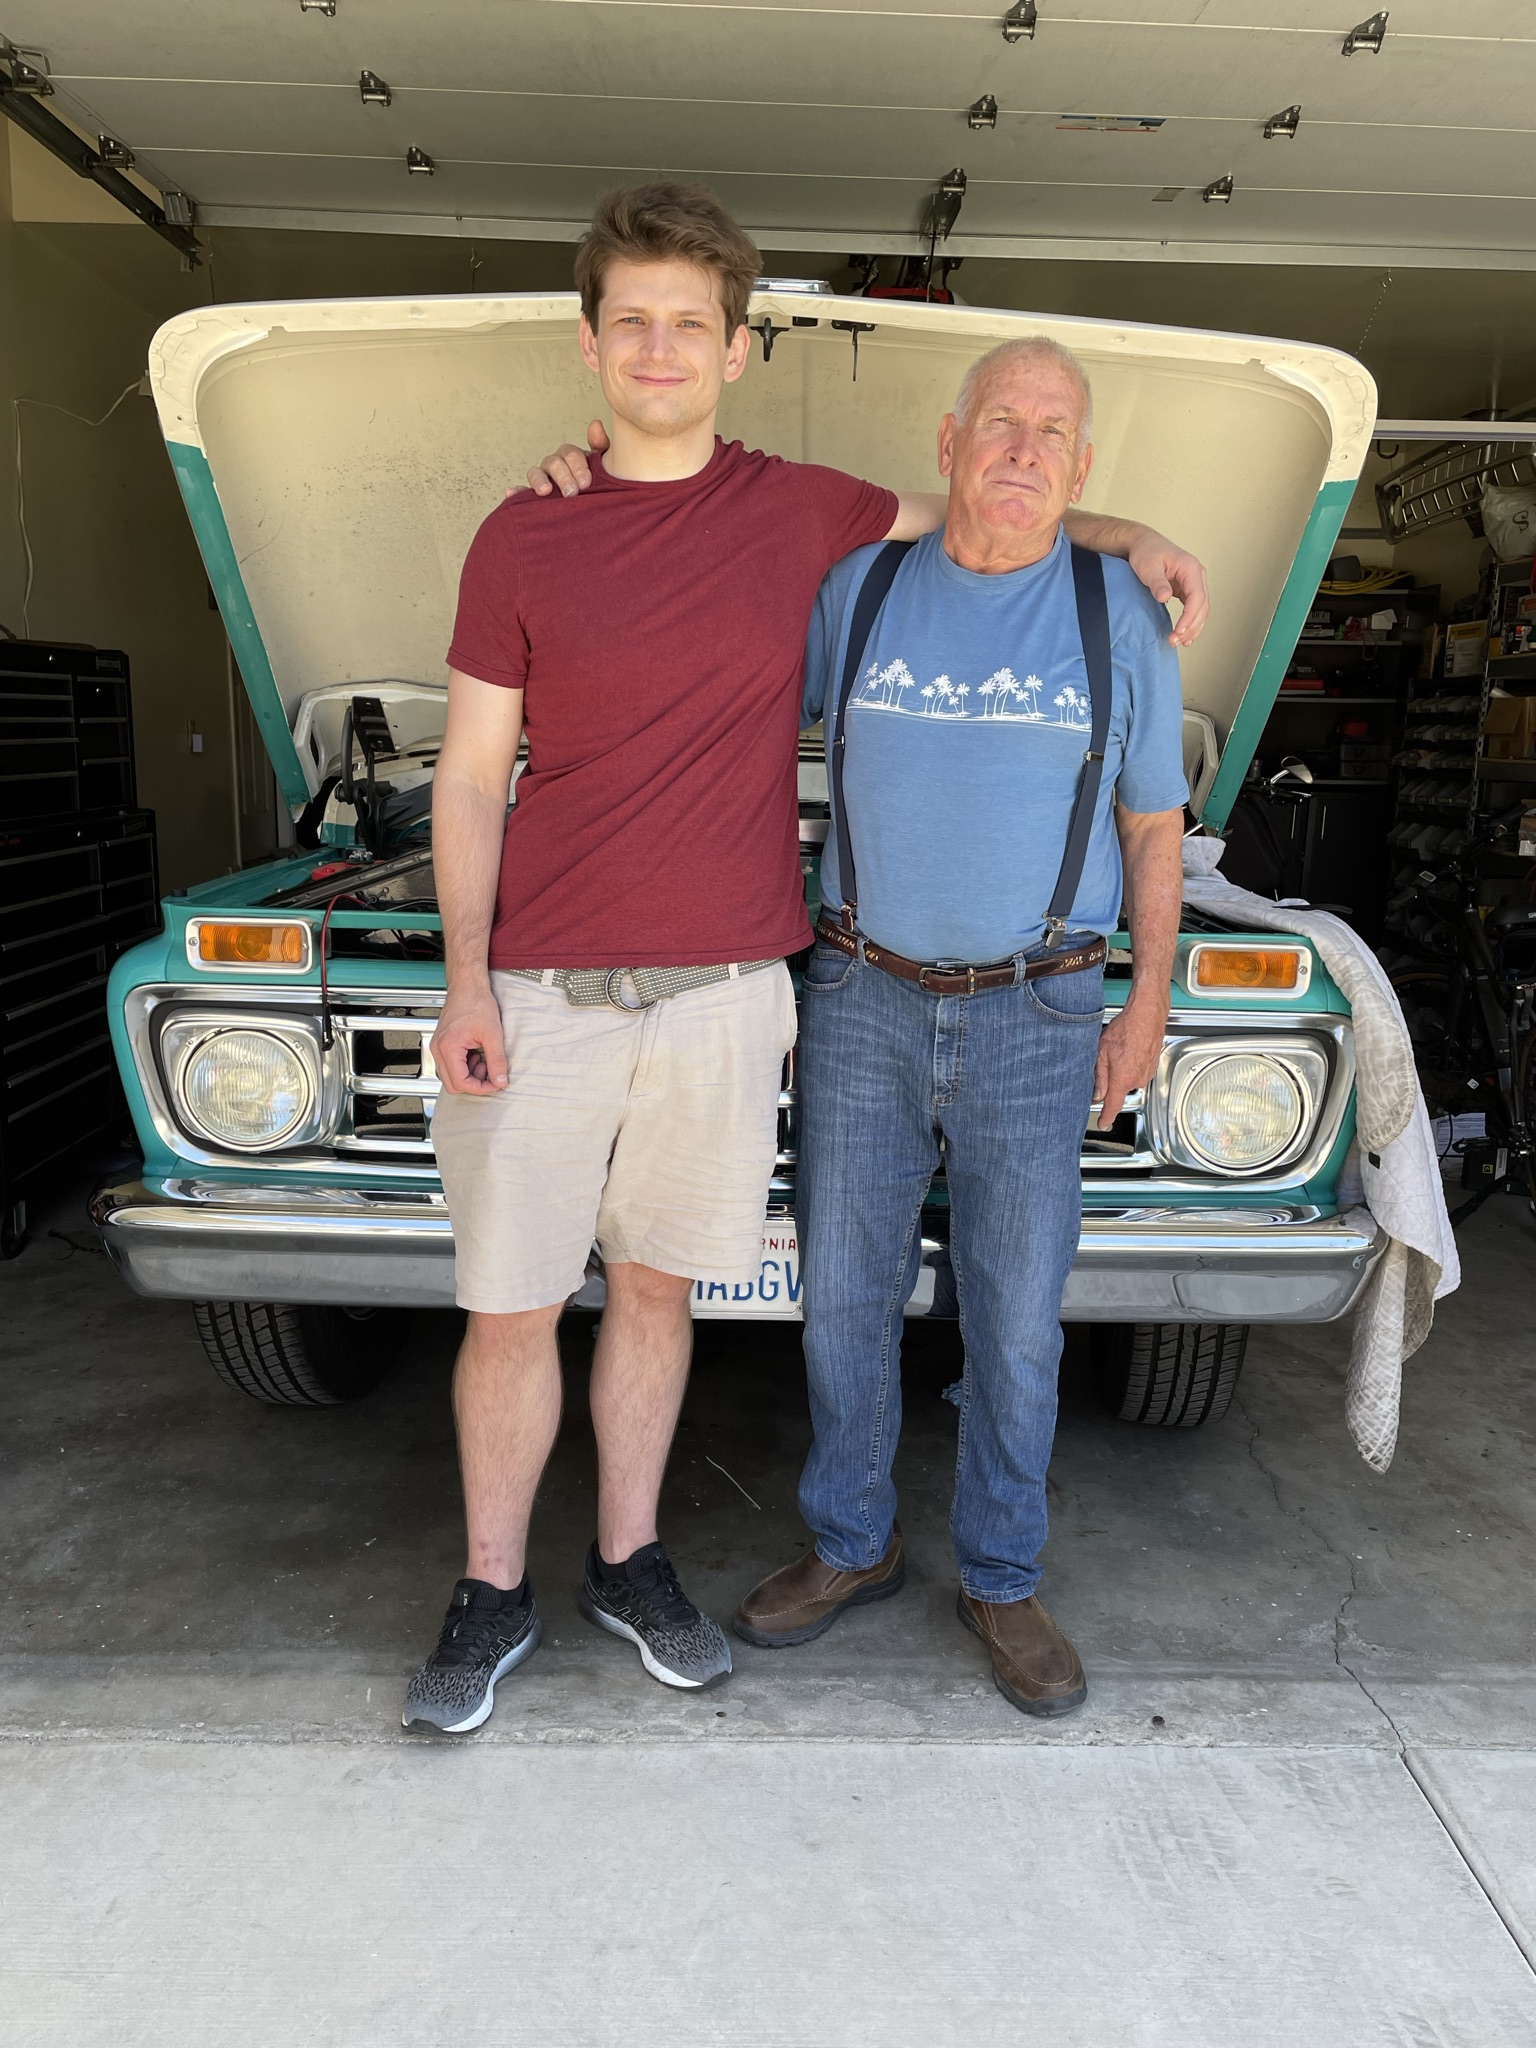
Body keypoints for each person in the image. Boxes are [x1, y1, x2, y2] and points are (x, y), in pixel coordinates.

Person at [403, 180, 1205, 1735]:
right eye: (630, 322)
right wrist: (465, 976)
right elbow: (510, 750)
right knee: (713, 1301)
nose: (658, 349)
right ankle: (663, 1569)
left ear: (735, 350)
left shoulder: (978, 573)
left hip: (894, 1002)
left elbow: (1127, 768)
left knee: (911, 1310)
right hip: (732, 991)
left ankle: (866, 1572)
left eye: (687, 324)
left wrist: (1137, 535)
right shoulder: (656, 546)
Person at [732, 337, 1188, 1719]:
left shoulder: (1120, 615)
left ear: (1082, 464)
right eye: (1000, 422)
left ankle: (1001, 1573)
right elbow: (731, 724)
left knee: (1018, 1314)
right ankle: (850, 1544)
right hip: (859, 993)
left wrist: (1148, 1001)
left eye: (1052, 432)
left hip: (1041, 1009)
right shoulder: (859, 590)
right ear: (948, 441)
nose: (1022, 450)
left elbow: (1151, 825)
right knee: (842, 1295)